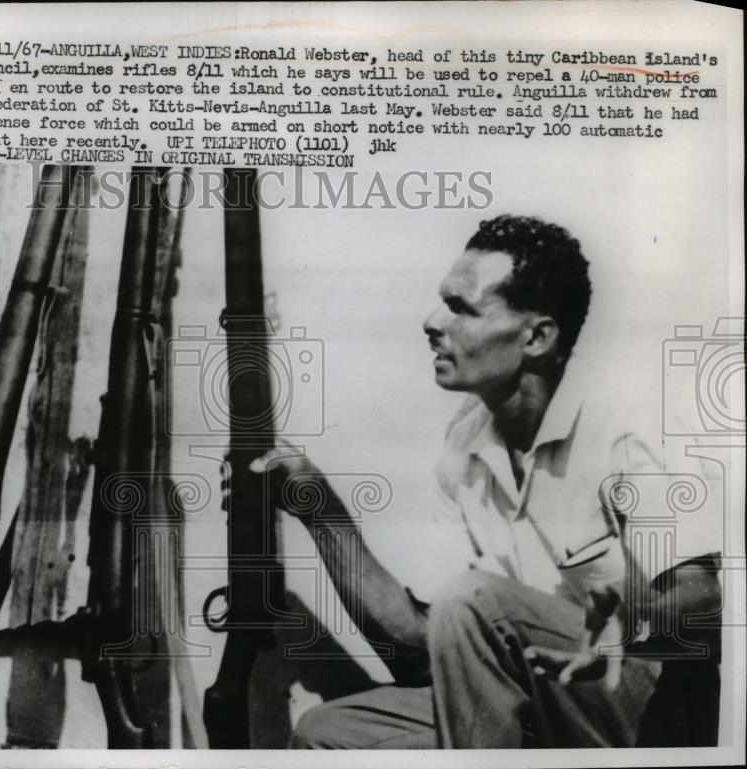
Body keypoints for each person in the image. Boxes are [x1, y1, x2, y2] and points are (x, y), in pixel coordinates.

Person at [251, 215, 723, 749]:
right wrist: (321, 510)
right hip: (529, 700)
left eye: (461, 308)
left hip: (646, 711)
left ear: (537, 337)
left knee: (472, 599)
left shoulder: (628, 421)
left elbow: (702, 601)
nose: (432, 322)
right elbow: (423, 643)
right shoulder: (466, 441)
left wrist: (613, 633)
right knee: (329, 733)